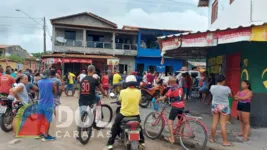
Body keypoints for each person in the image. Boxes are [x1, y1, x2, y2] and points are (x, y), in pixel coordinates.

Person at [106, 75, 145, 149]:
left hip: (123, 114)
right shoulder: (139, 92)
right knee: (139, 127)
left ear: (126, 83)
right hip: (136, 115)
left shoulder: (122, 92)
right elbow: (140, 101)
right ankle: (142, 142)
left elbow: (120, 101)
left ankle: (110, 144)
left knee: (115, 126)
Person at [77, 65, 107, 139]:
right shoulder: (94, 80)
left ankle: (81, 128)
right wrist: (105, 94)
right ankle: (97, 116)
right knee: (98, 99)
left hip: (82, 99)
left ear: (87, 70)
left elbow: (80, 90)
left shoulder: (82, 79)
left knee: (82, 113)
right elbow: (100, 88)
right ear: (93, 71)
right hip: (91, 98)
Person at [157, 76, 184, 144]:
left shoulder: (171, 89)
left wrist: (159, 99)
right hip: (182, 106)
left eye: (169, 80)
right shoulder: (180, 87)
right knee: (180, 120)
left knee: (170, 121)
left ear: (171, 82)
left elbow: (164, 97)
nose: (168, 81)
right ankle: (181, 134)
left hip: (175, 106)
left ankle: (172, 138)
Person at [209, 74, 232, 146]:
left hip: (215, 106)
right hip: (224, 106)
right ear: (223, 81)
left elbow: (212, 94)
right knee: (223, 124)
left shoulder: (212, 87)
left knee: (214, 123)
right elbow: (230, 95)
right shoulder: (227, 88)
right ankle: (225, 141)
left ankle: (212, 138)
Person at [36, 69, 57, 141]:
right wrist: (54, 88)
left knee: (39, 119)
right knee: (48, 120)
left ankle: (38, 133)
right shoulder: (52, 83)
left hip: (40, 103)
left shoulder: (39, 82)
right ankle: (46, 135)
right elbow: (55, 92)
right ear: (49, 75)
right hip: (48, 103)